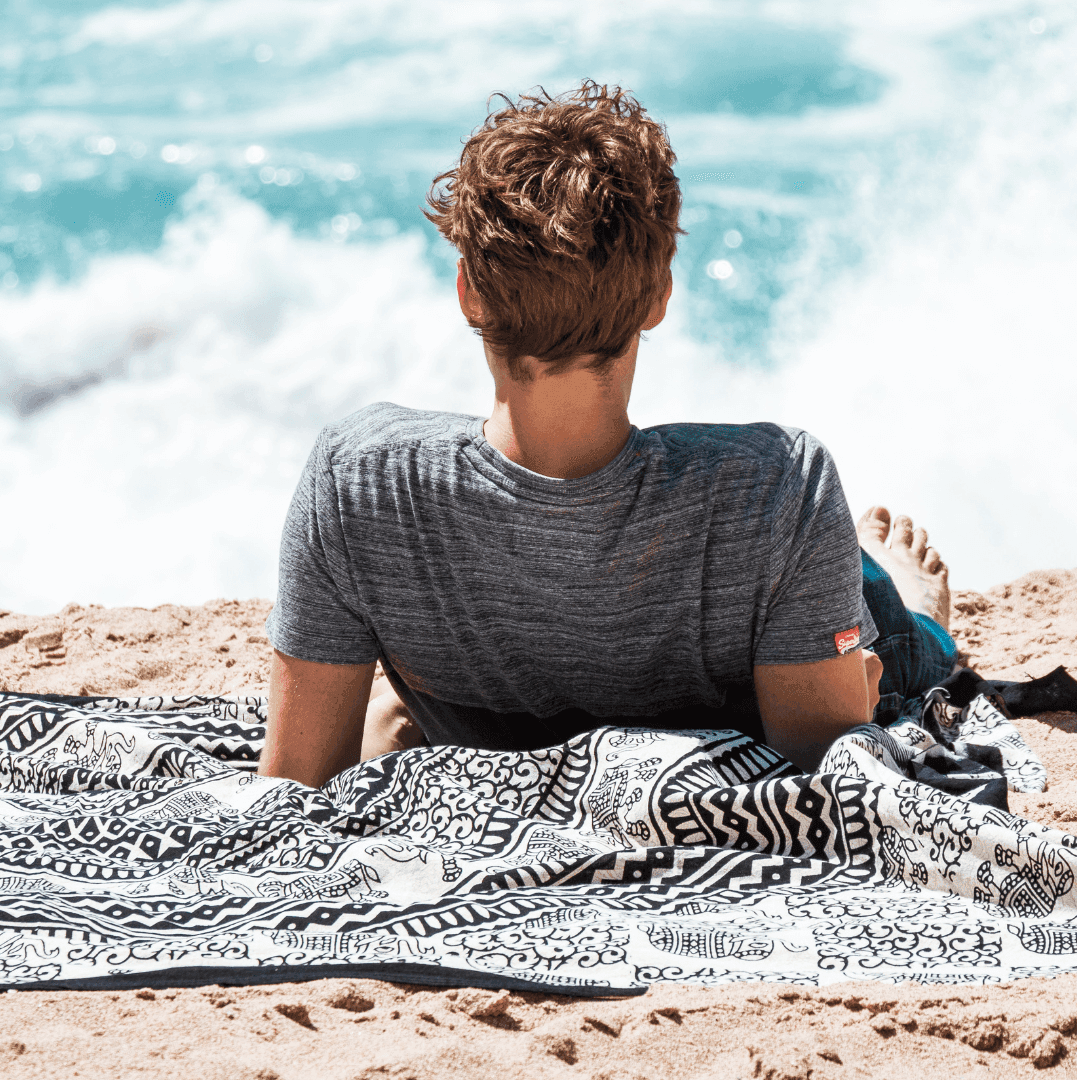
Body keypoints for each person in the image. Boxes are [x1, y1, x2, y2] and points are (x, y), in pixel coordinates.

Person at [261, 82, 957, 788]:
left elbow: (293, 785)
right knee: (890, 635)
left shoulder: (358, 481)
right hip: (764, 631)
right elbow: (821, 770)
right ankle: (914, 608)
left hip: (476, 712)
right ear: (659, 296)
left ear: (468, 289)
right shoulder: (774, 482)